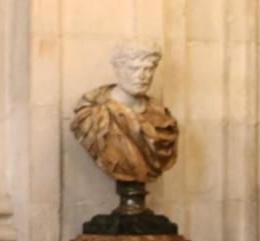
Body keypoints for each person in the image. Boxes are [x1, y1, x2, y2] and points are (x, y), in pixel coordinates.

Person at [71, 40, 179, 184]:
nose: (142, 76)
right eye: (134, 69)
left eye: (148, 69)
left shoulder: (163, 116)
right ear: (118, 70)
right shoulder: (93, 116)